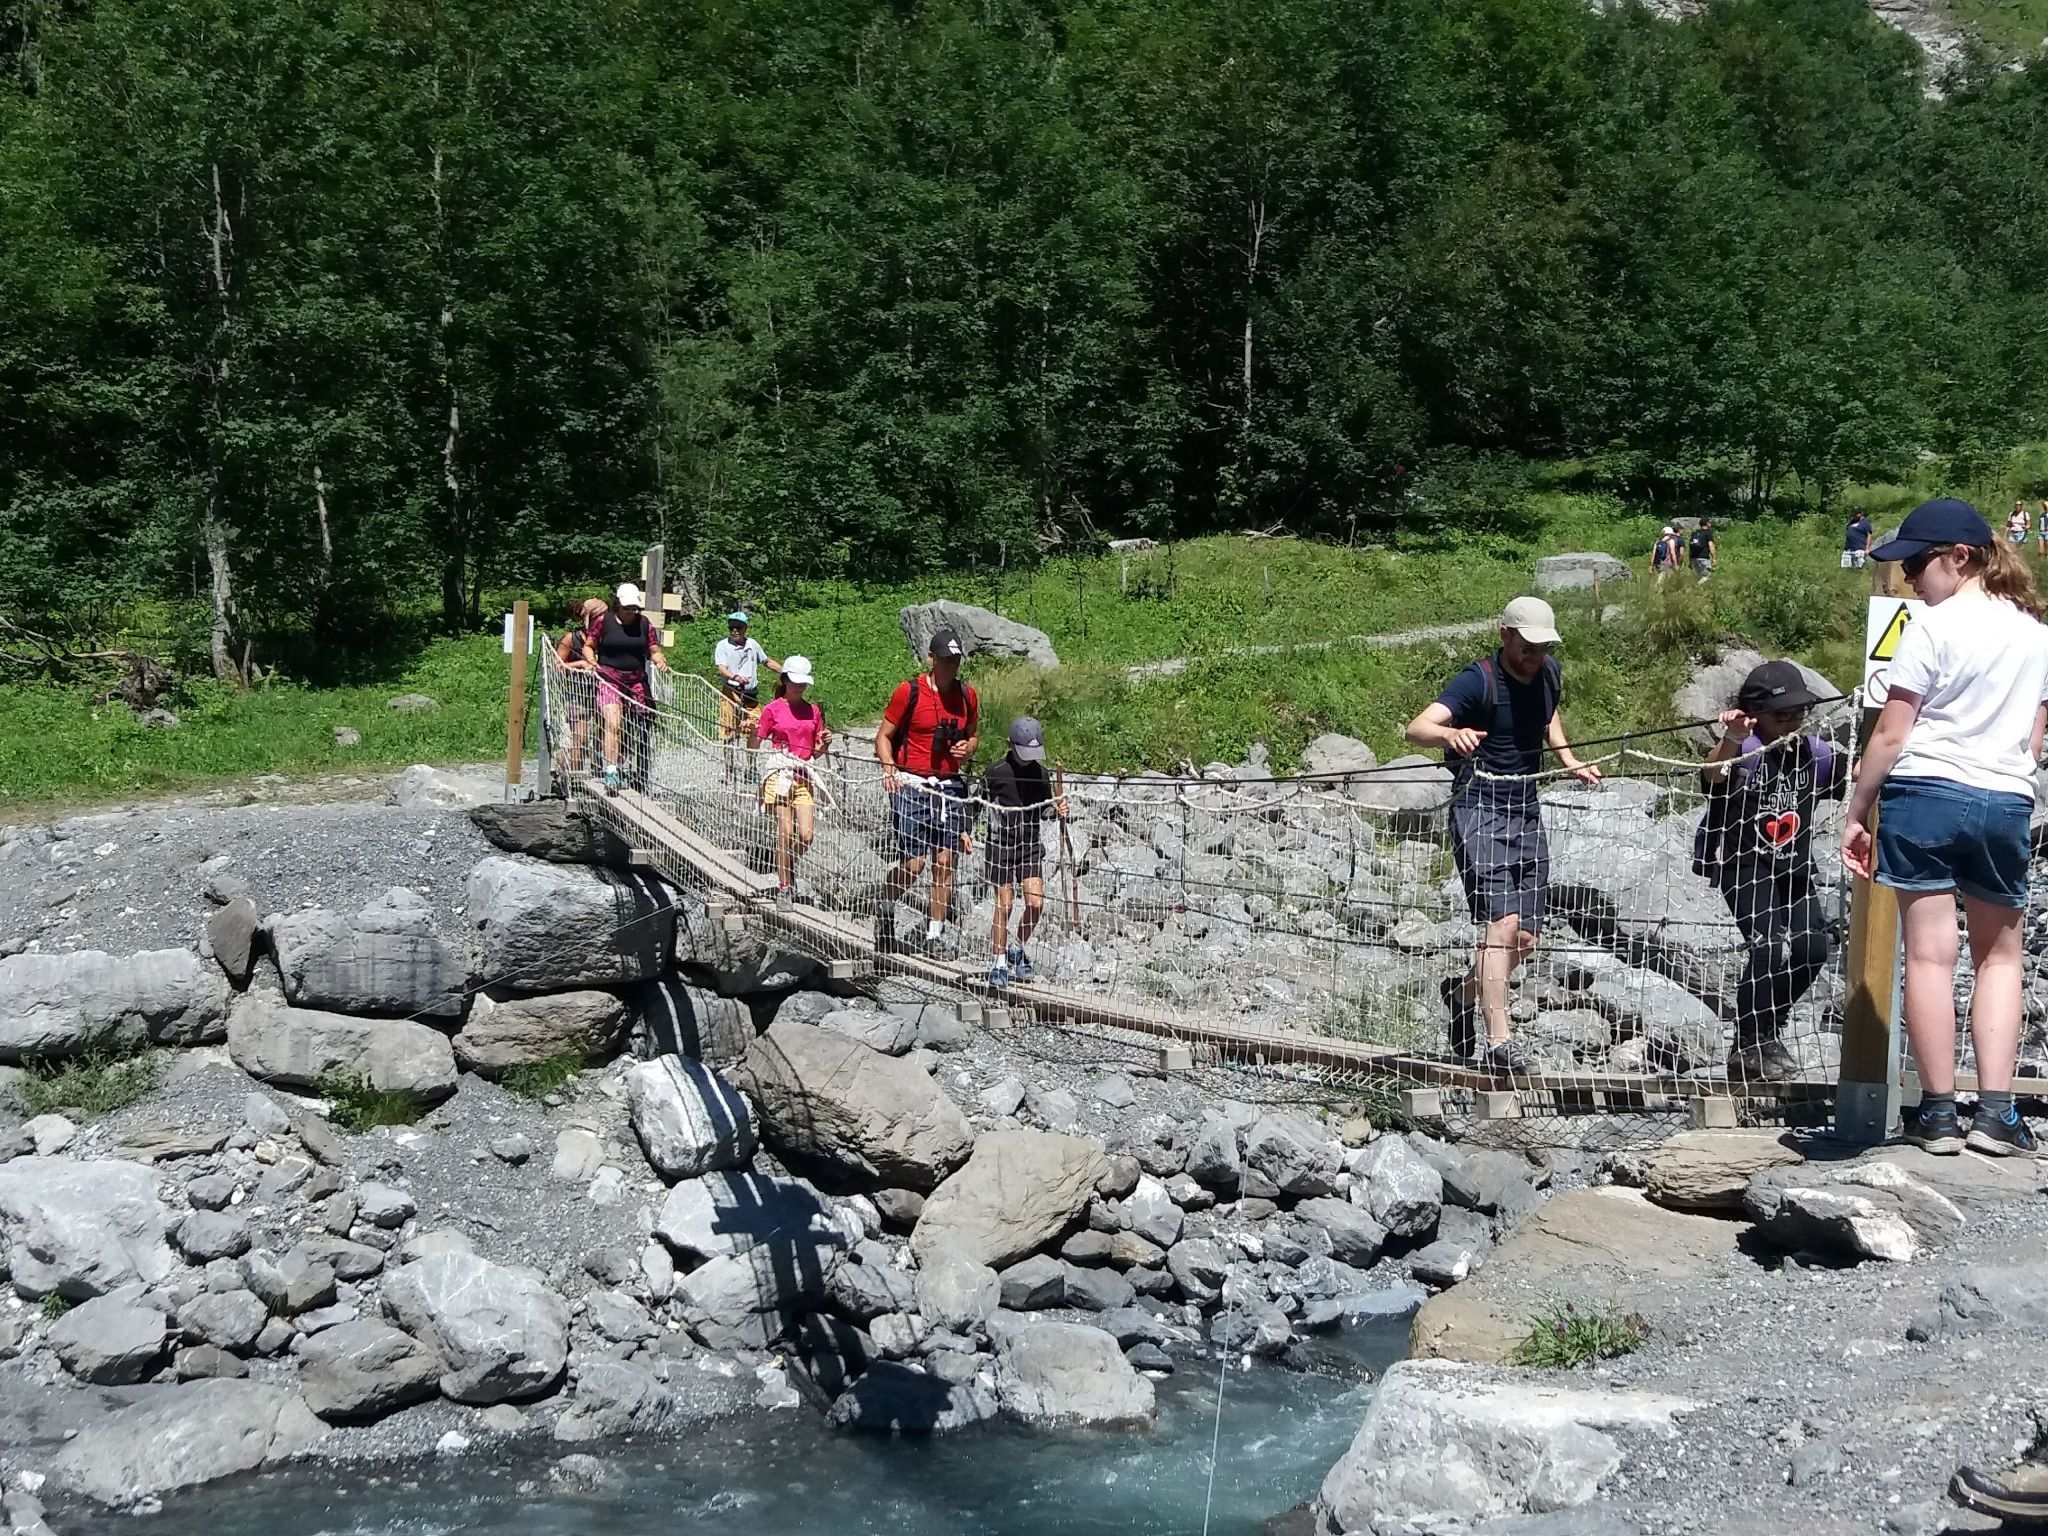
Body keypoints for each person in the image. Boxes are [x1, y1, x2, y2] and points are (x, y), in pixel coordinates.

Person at [1842, 498, 2048, 1157]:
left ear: (1960, 558)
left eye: (1916, 564)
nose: (1908, 579)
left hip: (1924, 793)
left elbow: (1892, 732)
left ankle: (1935, 1116)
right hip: (2004, 799)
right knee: (2000, 957)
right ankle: (1996, 1114)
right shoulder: (2036, 633)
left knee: (1930, 956)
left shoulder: (1929, 626)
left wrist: (1856, 811)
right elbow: (2034, 741)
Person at [1404, 596, 1601, 1075]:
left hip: (1525, 808)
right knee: (1503, 925)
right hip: (1479, 808)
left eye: (1543, 648)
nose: (1535, 657)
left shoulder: (1549, 673)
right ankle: (1500, 1044)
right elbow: (1416, 728)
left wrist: (1568, 759)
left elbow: (1548, 716)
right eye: (1527, 647)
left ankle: (1460, 994)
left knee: (1527, 939)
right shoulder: (1478, 680)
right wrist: (1449, 736)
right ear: (1505, 635)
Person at [1697, 661, 1847, 1083]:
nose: (1793, 721)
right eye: (1782, 714)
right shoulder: (1745, 750)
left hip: (1793, 865)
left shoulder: (1812, 752)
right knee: (1765, 947)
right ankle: (1749, 1043)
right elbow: (1712, 774)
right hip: (1743, 862)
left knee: (1812, 950)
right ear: (1756, 714)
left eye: (1800, 712)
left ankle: (1766, 1029)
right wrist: (1732, 736)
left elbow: (1851, 772)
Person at [874, 628, 980, 956]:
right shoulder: (909, 692)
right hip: (911, 783)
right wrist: (889, 769)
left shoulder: (967, 696)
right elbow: (883, 735)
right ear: (932, 658)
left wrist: (968, 748)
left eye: (956, 660)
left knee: (945, 861)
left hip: (948, 785)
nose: (951, 665)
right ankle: (886, 904)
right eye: (946, 659)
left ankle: (935, 935)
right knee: (915, 863)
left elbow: (973, 736)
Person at [981, 716, 1068, 988]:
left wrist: (1058, 809)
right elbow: (975, 802)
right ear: (1009, 744)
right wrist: (964, 831)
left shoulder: (1041, 774)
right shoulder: (995, 771)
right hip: (1000, 846)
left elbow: (1044, 808)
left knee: (1036, 903)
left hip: (1029, 847)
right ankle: (998, 962)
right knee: (1005, 904)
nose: (1028, 760)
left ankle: (1017, 949)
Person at [750, 656, 828, 901]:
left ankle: (787, 863)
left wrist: (825, 745)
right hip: (780, 773)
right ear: (785, 680)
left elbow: (815, 751)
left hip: (803, 775)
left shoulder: (813, 711)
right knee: (784, 830)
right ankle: (785, 887)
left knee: (806, 836)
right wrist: (752, 730)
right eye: (795, 682)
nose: (799, 687)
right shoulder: (772, 709)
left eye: (803, 683)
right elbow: (754, 746)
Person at [590, 582, 668, 793]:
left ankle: (640, 772)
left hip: (636, 681)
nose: (631, 612)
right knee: (613, 723)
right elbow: (589, 645)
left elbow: (654, 649)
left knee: (642, 725)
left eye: (635, 608)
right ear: (618, 605)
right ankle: (611, 771)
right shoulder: (603, 622)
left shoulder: (644, 624)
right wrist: (592, 661)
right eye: (627, 608)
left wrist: (659, 660)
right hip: (609, 679)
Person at [714, 612, 780, 781]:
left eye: (738, 627)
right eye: (731, 627)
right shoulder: (723, 646)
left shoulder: (752, 645)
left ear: (745, 628)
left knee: (756, 728)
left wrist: (785, 671)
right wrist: (735, 677)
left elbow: (766, 661)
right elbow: (721, 668)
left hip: (750, 694)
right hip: (731, 693)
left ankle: (751, 767)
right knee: (729, 731)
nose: (734, 630)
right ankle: (729, 769)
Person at [552, 597, 607, 777]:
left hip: (603, 693)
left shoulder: (608, 639)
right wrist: (580, 664)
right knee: (580, 737)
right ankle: (574, 777)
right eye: (599, 617)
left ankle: (599, 773)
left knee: (603, 736)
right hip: (577, 694)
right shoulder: (571, 638)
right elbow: (557, 665)